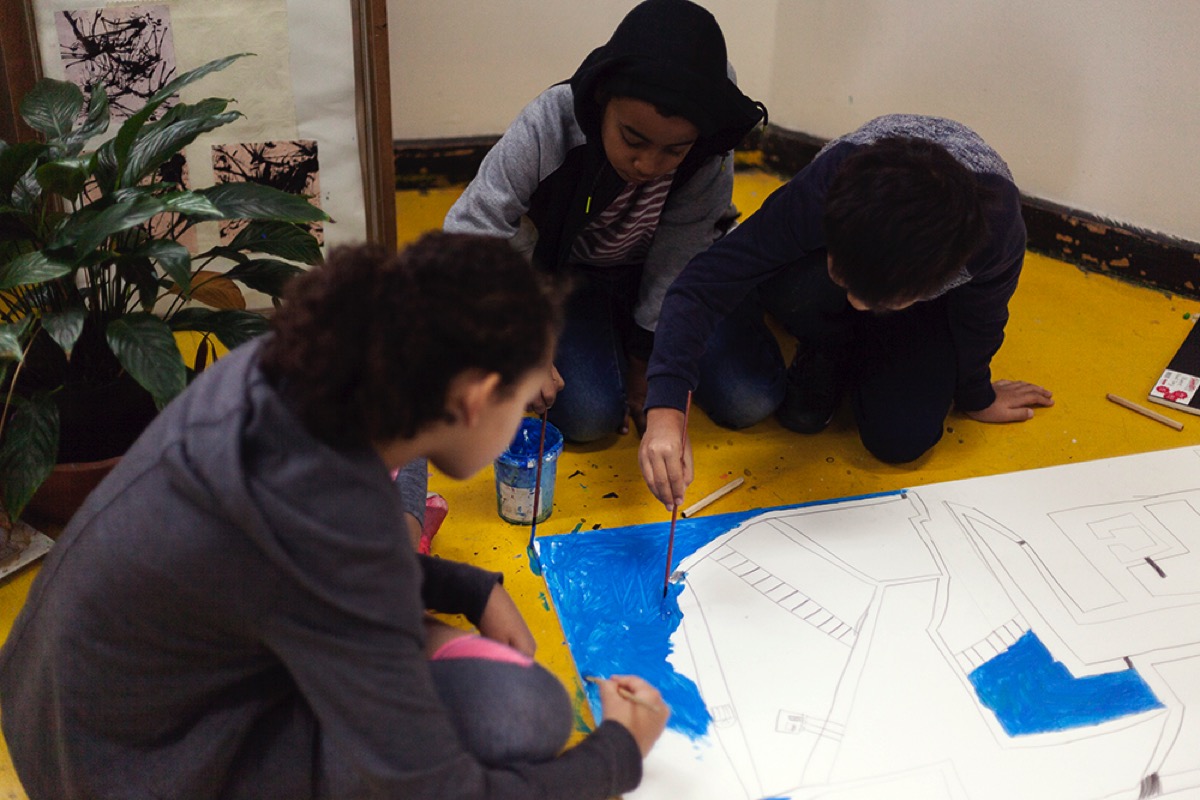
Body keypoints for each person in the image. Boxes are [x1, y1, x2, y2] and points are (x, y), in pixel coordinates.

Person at [0, 233, 668, 799]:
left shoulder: (292, 370)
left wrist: (466, 587)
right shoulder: (330, 512)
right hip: (129, 771)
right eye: (521, 401)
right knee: (524, 715)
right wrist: (619, 752)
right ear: (475, 399)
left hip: (63, 707)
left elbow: (282, 563)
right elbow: (437, 790)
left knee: (510, 703)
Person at [639, 114, 1054, 508]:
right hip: (821, 269)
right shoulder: (825, 189)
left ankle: (863, 345)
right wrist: (666, 408)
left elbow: (980, 320)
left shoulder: (995, 235)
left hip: (912, 293)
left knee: (902, 440)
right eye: (846, 280)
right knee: (797, 295)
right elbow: (706, 281)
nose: (855, 302)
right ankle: (827, 343)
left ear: (934, 286)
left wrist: (976, 395)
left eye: (876, 300)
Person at [444, 0, 772, 443]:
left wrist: (645, 363)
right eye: (632, 139)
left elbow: (680, 256)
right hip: (578, 276)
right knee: (589, 417)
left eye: (674, 150)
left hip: (681, 276)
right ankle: (606, 331)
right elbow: (466, 230)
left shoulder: (710, 139)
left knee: (748, 398)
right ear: (601, 99)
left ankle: (629, 334)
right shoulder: (551, 122)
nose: (648, 165)